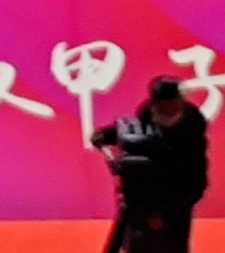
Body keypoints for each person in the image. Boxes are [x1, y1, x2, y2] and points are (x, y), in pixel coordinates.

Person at [89, 73, 209, 253]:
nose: (172, 107)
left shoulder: (193, 132)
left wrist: (166, 215)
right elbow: (133, 136)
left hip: (175, 203)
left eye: (176, 102)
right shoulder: (146, 118)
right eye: (165, 104)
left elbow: (197, 185)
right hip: (142, 198)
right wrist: (105, 136)